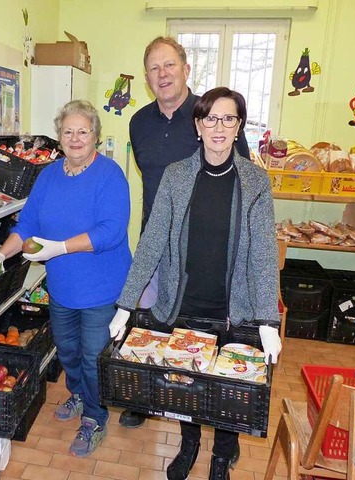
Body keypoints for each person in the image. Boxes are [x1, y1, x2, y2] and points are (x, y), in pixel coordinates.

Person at [109, 87, 282, 480]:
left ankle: (222, 456)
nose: (218, 127)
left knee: (227, 389)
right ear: (197, 126)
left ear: (238, 127)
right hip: (184, 305)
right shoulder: (177, 176)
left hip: (231, 308)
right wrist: (125, 302)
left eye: (228, 118)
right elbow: (152, 241)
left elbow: (262, 254)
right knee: (186, 382)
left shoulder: (255, 181)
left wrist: (268, 321)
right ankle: (189, 444)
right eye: (210, 118)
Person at [120, 36, 251, 428]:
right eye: (155, 68)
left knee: (197, 330)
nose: (163, 74)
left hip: (202, 250)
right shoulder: (138, 122)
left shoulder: (210, 116)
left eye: (170, 65)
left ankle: (211, 412)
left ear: (186, 69)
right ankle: (145, 397)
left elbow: (239, 181)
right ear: (146, 77)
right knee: (148, 321)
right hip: (154, 242)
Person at [0, 100, 132, 457]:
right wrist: (0, 253)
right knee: (67, 352)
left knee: (92, 357)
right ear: (59, 137)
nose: (75, 138)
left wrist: (58, 248)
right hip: (63, 287)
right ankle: (79, 394)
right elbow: (26, 225)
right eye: (68, 131)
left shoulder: (110, 175)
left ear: (95, 136)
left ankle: (95, 417)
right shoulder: (49, 175)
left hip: (102, 287)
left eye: (83, 131)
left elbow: (110, 233)